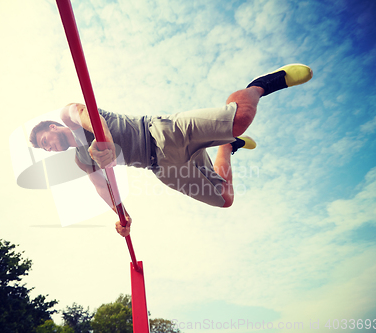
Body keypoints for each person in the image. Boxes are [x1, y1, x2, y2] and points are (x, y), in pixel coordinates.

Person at [29, 64, 313, 237]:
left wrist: (102, 142)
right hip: (164, 169)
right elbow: (103, 188)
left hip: (161, 133)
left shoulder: (68, 116)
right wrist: (121, 215)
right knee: (225, 198)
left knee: (240, 119)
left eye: (46, 142)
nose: (50, 148)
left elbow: (89, 116)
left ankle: (259, 86)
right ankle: (226, 146)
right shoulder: (82, 160)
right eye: (46, 149)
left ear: (52, 128)